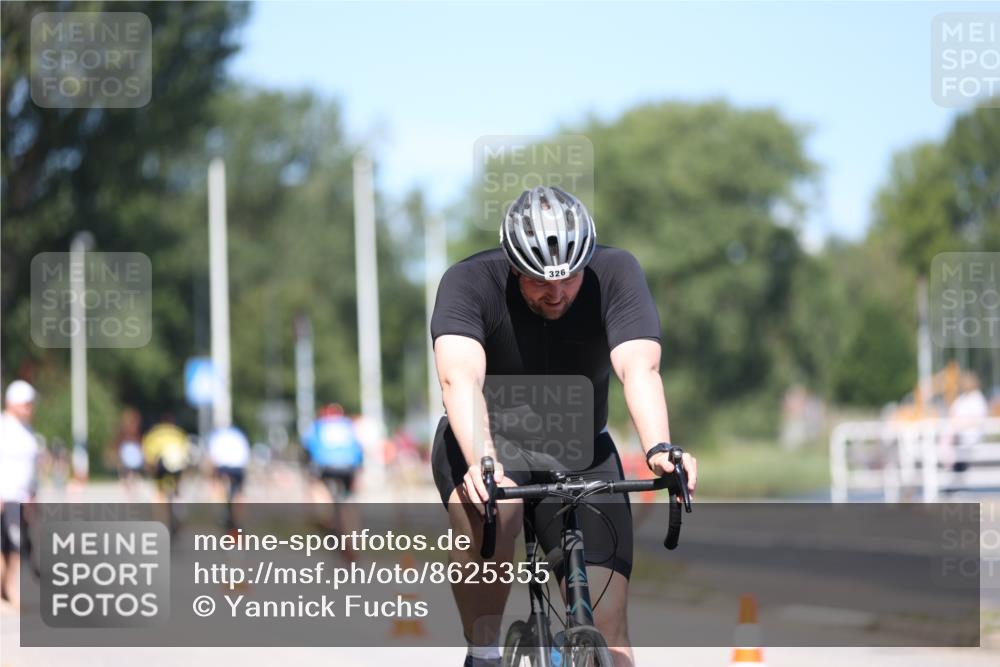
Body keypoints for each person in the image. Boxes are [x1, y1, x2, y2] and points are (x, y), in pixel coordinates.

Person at [430, 186, 698, 667]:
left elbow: (640, 368)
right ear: (513, 265)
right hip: (488, 444)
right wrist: (482, 462)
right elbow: (460, 378)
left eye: (569, 278)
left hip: (580, 448)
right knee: (496, 513)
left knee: (611, 631)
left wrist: (660, 448)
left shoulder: (616, 274)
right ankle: (485, 652)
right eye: (539, 281)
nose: (557, 293)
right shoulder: (468, 281)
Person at [303, 404, 364, 559]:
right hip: (349, 468)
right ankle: (353, 540)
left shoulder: (317, 425)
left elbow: (307, 448)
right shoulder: (348, 425)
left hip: (325, 467)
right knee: (348, 502)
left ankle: (325, 518)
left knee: (315, 486)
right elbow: (358, 449)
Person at [0, 380, 40, 610]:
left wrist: (33, 494)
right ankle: (4, 592)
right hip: (4, 495)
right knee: (3, 547)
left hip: (21, 497)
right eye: (26, 404)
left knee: (16, 547)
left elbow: (30, 467)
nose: (30, 408)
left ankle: (10, 590)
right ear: (12, 403)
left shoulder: (27, 429)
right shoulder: (3, 427)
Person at [206, 424, 251, 530]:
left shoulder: (216, 436)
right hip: (238, 466)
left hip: (223, 466)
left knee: (218, 485)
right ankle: (239, 519)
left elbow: (212, 458)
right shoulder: (239, 435)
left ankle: (221, 511)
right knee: (238, 493)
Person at [141, 414, 191, 503]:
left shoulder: (155, 433)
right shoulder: (179, 433)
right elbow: (186, 453)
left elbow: (149, 454)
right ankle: (177, 494)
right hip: (177, 465)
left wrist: (149, 467)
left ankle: (160, 510)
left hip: (161, 464)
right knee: (176, 485)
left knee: (159, 490)